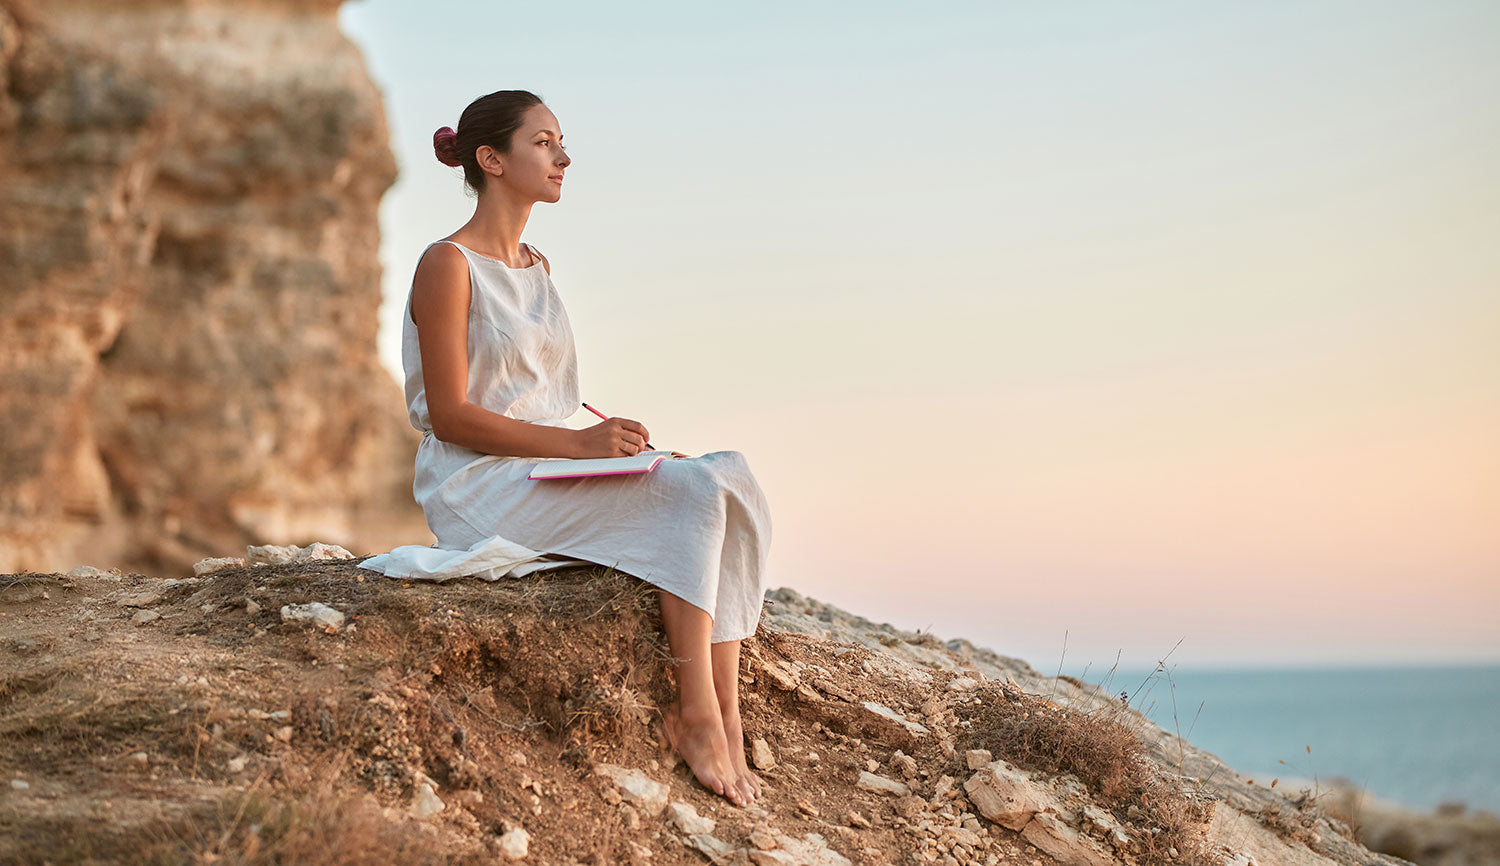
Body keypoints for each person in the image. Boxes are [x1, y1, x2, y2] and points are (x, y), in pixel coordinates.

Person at [406, 89, 772, 807]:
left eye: (560, 141)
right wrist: (578, 445)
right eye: (543, 142)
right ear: (491, 159)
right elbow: (450, 416)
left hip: (547, 465)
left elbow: (541, 392)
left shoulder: (538, 265)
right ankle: (693, 714)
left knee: (730, 474)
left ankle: (728, 711)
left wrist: (611, 445)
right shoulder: (445, 264)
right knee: (695, 492)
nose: (563, 157)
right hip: (479, 483)